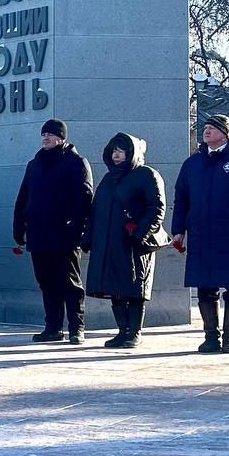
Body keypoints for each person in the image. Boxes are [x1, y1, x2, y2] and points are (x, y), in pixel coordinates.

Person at [171, 115, 229, 354]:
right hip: (201, 235)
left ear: (226, 133)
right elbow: (181, 198)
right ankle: (210, 336)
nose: (207, 131)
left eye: (212, 128)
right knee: (205, 287)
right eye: (205, 128)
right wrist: (178, 230)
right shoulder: (192, 164)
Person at [81, 133, 166, 349]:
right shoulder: (108, 179)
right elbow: (95, 210)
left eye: (121, 151)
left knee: (135, 288)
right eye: (114, 151)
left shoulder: (146, 175)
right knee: (114, 287)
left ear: (132, 153)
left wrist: (140, 234)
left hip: (133, 244)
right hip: (108, 243)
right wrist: (88, 237)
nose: (116, 155)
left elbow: (156, 208)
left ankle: (134, 331)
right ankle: (122, 331)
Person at [12, 118, 93, 344]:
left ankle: (77, 328)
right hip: (38, 234)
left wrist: (76, 228)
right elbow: (23, 197)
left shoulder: (76, 162)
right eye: (43, 134)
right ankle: (53, 327)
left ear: (62, 138)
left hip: (64, 235)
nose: (46, 137)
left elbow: (85, 198)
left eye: (51, 134)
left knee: (70, 283)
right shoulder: (34, 164)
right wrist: (19, 227)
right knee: (46, 282)